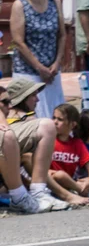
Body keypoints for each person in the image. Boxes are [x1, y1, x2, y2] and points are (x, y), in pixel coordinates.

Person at [10, 0, 65, 119]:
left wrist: (56, 64)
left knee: (56, 117)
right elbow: (18, 41)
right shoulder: (19, 6)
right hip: (28, 74)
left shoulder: (55, 1)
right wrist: (40, 68)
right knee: (34, 119)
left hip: (52, 73)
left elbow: (61, 35)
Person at [3, 79, 68, 211]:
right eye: (33, 95)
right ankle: (27, 196)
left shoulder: (26, 118)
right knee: (9, 135)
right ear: (22, 98)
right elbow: (27, 160)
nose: (37, 100)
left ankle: (39, 192)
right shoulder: (8, 115)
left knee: (47, 125)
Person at [49, 104, 89, 200]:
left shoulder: (77, 143)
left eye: (60, 119)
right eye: (54, 118)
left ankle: (77, 190)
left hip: (72, 181)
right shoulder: (49, 140)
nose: (55, 122)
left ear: (73, 124)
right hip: (53, 179)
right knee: (60, 175)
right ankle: (88, 194)